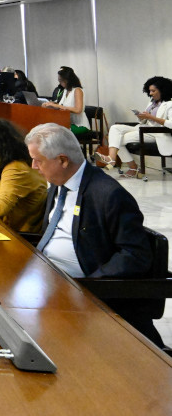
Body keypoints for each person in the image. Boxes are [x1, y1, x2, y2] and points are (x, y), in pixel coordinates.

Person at [27, 123, 163, 348]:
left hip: (84, 293)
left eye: (38, 160)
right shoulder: (58, 183)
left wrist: (87, 286)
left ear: (62, 160)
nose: (33, 167)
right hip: (48, 280)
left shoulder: (108, 194)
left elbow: (135, 254)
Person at [97, 76, 172, 178]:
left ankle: (132, 167)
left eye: (153, 91)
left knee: (118, 139)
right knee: (115, 128)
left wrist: (150, 117)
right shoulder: (152, 103)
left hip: (155, 133)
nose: (150, 93)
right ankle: (112, 158)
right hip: (142, 127)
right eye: (149, 91)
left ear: (162, 90)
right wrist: (141, 117)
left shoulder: (169, 104)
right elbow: (146, 120)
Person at [41, 66, 89, 135]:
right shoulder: (65, 90)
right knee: (48, 127)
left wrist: (58, 106)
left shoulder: (77, 90)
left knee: (55, 130)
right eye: (59, 80)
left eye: (61, 80)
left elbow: (78, 110)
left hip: (79, 125)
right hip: (67, 122)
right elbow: (62, 106)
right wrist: (50, 105)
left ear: (67, 80)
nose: (60, 83)